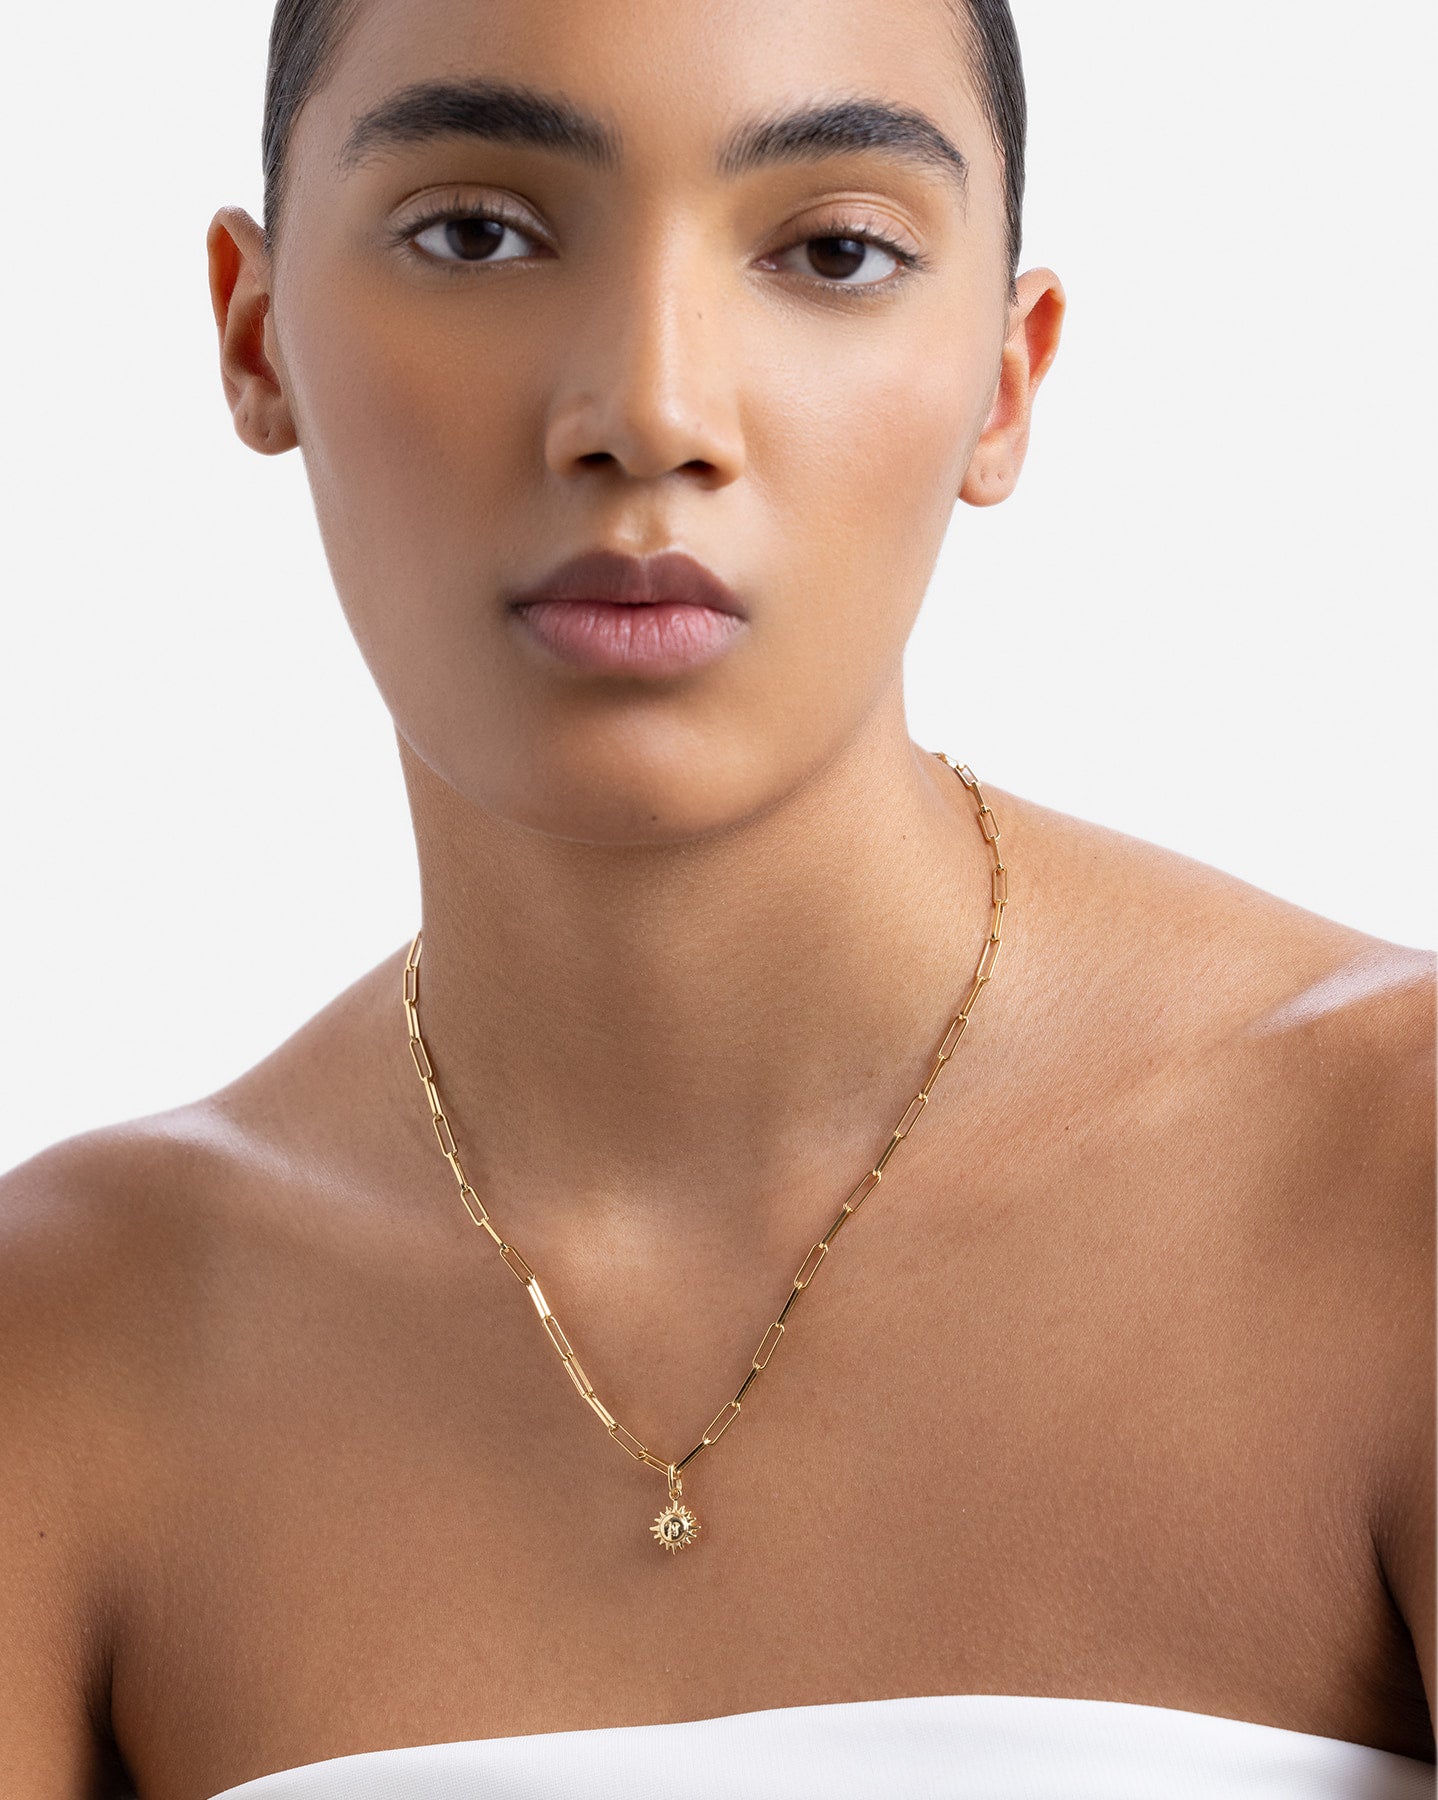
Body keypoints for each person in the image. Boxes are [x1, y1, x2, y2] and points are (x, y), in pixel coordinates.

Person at [1, 0, 1432, 1794]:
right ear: (254, 330)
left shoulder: (1390, 1183)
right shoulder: (69, 1350)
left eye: (832, 253)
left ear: (1004, 379)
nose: (651, 413)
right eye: (478, 234)